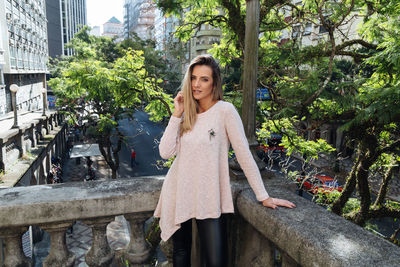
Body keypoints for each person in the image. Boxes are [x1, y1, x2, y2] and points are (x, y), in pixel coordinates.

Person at [154, 55, 296, 267]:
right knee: (181, 253)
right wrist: (177, 113)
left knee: (216, 261)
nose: (196, 84)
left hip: (209, 194)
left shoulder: (225, 111)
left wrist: (263, 195)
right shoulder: (186, 114)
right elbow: (165, 153)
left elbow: (243, 154)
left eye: (204, 79)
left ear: (214, 82)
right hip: (178, 189)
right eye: (193, 78)